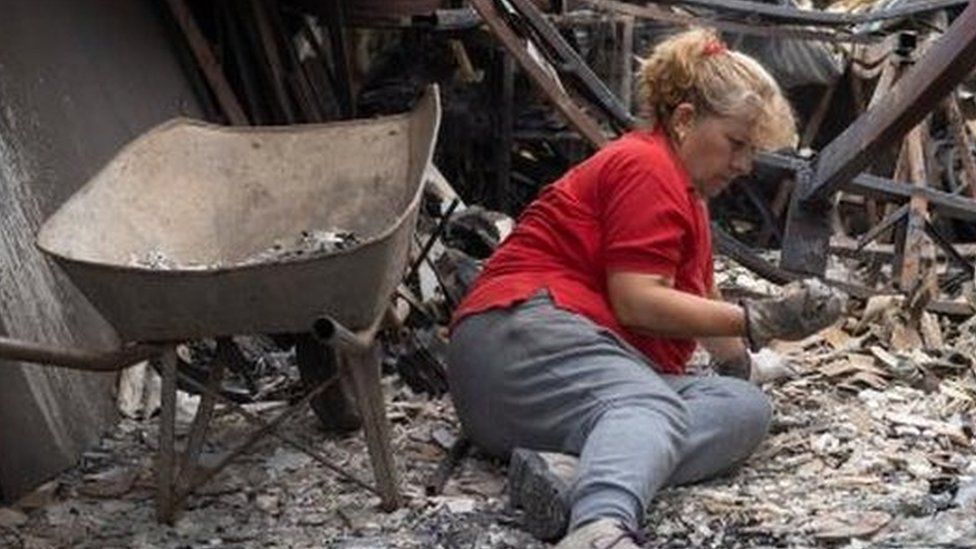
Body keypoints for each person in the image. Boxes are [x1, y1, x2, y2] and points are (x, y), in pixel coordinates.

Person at [446, 27, 845, 549]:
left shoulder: (685, 193)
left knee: (743, 409)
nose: (745, 165)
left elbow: (700, 299)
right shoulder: (646, 165)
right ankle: (598, 526)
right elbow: (637, 301)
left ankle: (571, 473)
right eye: (736, 144)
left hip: (519, 390)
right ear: (683, 121)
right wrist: (759, 319)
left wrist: (743, 363)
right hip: (519, 335)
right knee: (647, 407)